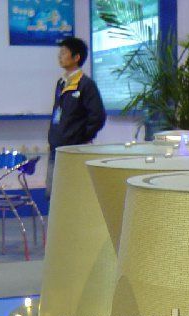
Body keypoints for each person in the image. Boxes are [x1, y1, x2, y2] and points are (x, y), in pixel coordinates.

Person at [45, 37, 106, 200]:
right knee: (53, 194)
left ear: (76, 57)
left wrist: (80, 137)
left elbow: (98, 116)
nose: (60, 56)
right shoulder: (61, 83)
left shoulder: (86, 85)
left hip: (74, 150)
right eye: (60, 52)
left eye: (64, 52)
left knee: (71, 196)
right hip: (56, 147)